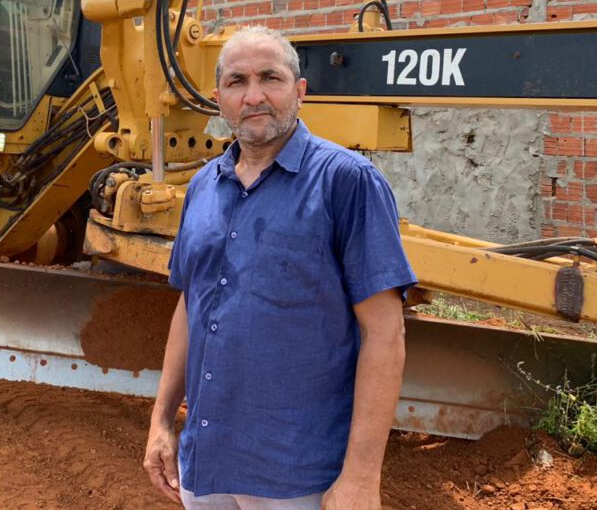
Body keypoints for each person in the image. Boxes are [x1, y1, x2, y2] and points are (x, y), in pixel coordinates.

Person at [144, 26, 417, 510]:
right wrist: (161, 421)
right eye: (237, 82)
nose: (254, 96)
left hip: (296, 474)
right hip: (207, 462)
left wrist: (361, 477)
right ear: (218, 99)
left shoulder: (347, 182)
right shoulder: (203, 186)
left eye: (270, 78)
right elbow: (192, 304)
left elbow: (385, 333)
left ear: (299, 90)